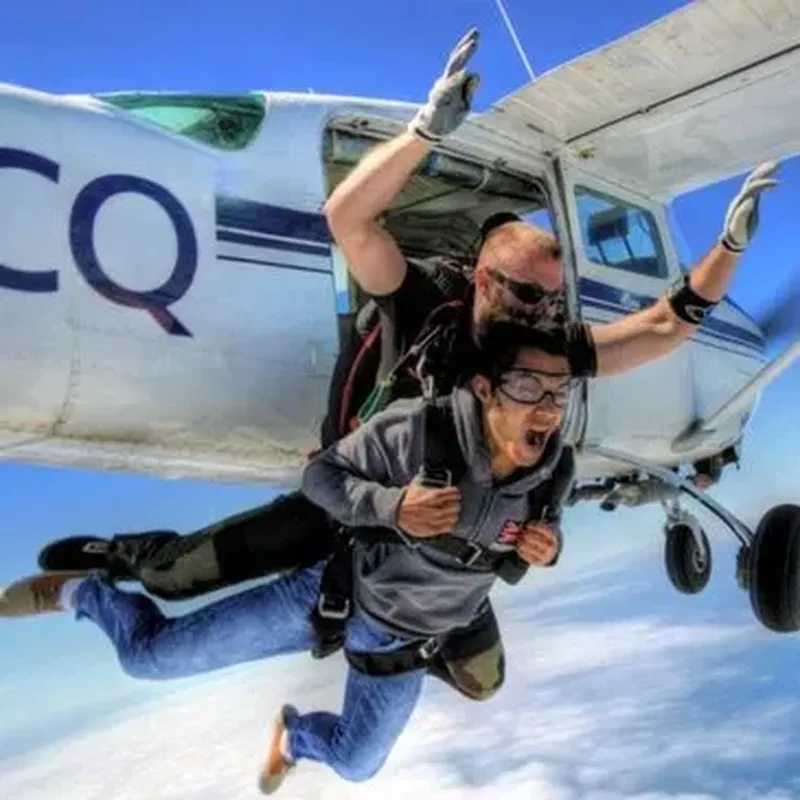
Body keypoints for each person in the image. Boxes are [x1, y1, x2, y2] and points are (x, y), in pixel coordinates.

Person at [31, 26, 778, 697]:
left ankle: (407, 629)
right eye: (526, 293)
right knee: (175, 574)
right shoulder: (421, 305)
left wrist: (731, 249)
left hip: (436, 550)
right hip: (349, 499)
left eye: (552, 302)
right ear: (483, 278)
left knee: (483, 681)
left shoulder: (545, 352)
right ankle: (123, 560)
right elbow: (347, 220)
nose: (542, 312)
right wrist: (425, 131)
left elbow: (663, 329)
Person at [0, 321, 575, 793]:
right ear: (484, 389)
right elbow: (320, 475)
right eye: (528, 386)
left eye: (558, 391)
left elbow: (536, 531)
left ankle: (295, 737)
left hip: (408, 640)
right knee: (148, 659)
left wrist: (547, 548)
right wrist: (391, 505)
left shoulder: (556, 471)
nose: (547, 408)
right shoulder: (418, 433)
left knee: (357, 764)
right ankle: (85, 593)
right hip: (336, 597)